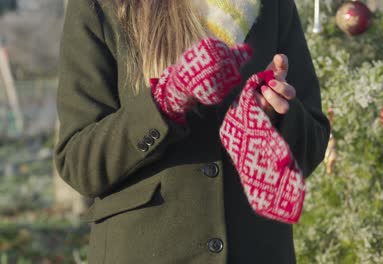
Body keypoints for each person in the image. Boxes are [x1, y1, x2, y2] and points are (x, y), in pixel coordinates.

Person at [54, 0, 330, 263]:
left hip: (255, 251)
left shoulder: (271, 6)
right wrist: (164, 102)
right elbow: (79, 162)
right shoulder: (100, 6)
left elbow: (311, 146)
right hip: (144, 251)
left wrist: (272, 116)